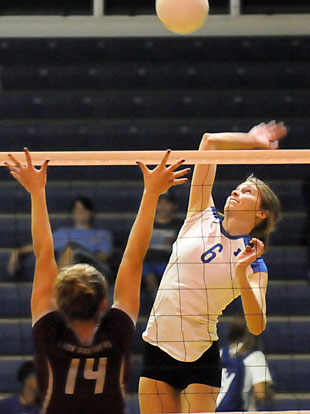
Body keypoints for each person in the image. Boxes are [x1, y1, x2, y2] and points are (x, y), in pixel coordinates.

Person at [5, 148, 189, 414]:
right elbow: (134, 259)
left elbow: (44, 255)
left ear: (59, 302)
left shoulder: (50, 333)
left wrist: (36, 192)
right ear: (103, 303)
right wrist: (152, 193)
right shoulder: (116, 334)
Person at [139, 121, 287, 414]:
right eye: (237, 187)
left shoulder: (254, 261)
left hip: (200, 359)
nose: (236, 191)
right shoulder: (200, 214)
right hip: (157, 344)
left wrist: (243, 274)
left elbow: (257, 325)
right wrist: (252, 139)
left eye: (246, 192)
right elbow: (208, 143)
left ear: (261, 213)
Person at [7, 195, 113, 281]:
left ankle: (60, 285)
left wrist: (79, 264)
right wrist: (17, 252)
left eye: (84, 209)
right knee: (67, 250)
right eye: (77, 209)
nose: (81, 212)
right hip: (70, 273)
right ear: (72, 213)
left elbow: (102, 258)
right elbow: (42, 245)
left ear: (91, 212)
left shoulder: (103, 234)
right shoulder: (63, 233)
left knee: (71, 248)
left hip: (94, 273)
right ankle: (62, 285)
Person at [216, 317, 273, 412]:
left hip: (214, 409)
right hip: (238, 410)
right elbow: (261, 393)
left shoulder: (220, 353)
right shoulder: (256, 357)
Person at [142, 190, 183, 297]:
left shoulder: (180, 226)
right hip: (147, 264)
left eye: (167, 203)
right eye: (160, 202)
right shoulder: (145, 224)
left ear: (173, 205)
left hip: (170, 264)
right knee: (146, 272)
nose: (163, 206)